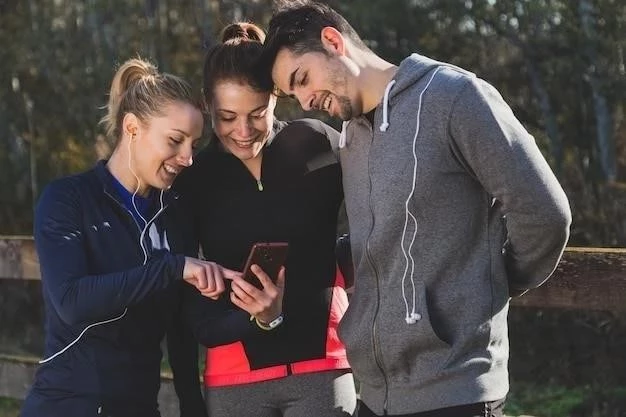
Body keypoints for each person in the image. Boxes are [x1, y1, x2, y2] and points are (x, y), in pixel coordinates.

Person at [260, 2, 573, 416]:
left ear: (333, 42)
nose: (303, 101)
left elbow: (545, 213)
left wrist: (492, 281)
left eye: (302, 79)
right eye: (292, 93)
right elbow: (392, 236)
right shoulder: (352, 138)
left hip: (454, 392)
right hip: (376, 394)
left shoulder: (454, 97)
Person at [19, 57, 266, 417]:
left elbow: (187, 329)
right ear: (132, 127)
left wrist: (260, 314)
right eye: (175, 140)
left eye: (193, 146)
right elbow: (72, 301)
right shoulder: (68, 199)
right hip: (66, 406)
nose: (187, 159)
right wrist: (172, 268)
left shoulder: (175, 215)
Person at [173, 22, 357, 417]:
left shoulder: (318, 143)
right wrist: (189, 397)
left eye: (257, 113)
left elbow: (381, 217)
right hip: (233, 380)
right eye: (226, 117)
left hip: (323, 369)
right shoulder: (192, 178)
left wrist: (348, 261)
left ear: (277, 94)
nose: (243, 131)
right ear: (207, 106)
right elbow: (180, 295)